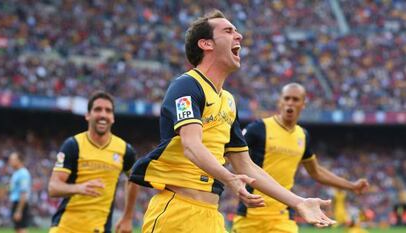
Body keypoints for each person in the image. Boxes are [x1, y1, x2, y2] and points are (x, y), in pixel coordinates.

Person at [130, 10, 336, 233]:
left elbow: (245, 165)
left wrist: (297, 202)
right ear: (206, 44)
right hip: (177, 213)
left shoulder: (228, 101)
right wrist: (230, 179)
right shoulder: (186, 86)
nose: (239, 36)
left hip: (212, 217)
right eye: (228, 31)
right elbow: (191, 145)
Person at [232, 83, 369, 233]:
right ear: (280, 102)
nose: (290, 102)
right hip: (251, 214)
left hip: (283, 216)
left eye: (295, 99)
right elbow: (232, 153)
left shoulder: (302, 136)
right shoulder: (258, 128)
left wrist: (352, 186)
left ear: (303, 104)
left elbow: (316, 172)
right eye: (287, 98)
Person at [48, 91, 139, 233]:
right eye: (97, 109)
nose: (103, 114)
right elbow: (53, 187)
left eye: (108, 111)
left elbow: (134, 179)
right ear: (87, 115)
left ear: (113, 117)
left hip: (99, 228)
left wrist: (127, 217)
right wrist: (78, 188)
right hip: (65, 227)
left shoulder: (125, 150)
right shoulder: (73, 145)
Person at [9, 152, 32, 233]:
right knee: (18, 229)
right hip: (16, 203)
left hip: (20, 204)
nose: (10, 161)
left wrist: (19, 210)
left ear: (19, 160)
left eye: (12, 159)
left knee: (22, 229)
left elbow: (24, 193)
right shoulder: (16, 173)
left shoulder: (23, 173)